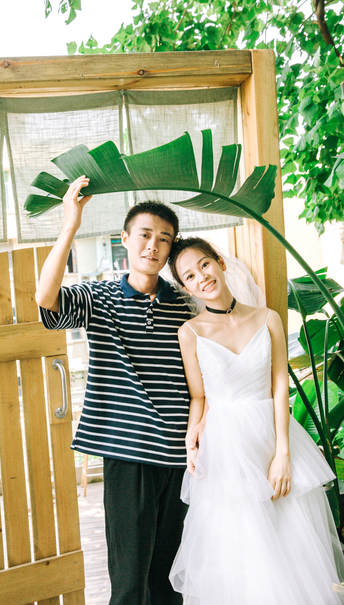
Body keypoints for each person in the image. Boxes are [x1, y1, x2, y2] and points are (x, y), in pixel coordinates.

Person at [36, 176, 192, 605]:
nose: (153, 246)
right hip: (129, 452)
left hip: (182, 456)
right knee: (129, 584)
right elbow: (46, 298)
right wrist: (71, 224)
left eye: (164, 239)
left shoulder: (184, 305)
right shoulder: (99, 297)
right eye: (144, 235)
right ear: (124, 239)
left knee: (170, 581)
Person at [167, 236, 344, 605]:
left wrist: (283, 455)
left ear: (219, 262)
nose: (202, 277)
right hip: (226, 450)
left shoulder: (267, 318)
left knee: (291, 541)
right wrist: (191, 441)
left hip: (272, 437)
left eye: (204, 264)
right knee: (242, 548)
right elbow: (200, 396)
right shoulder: (190, 332)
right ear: (185, 288)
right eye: (190, 276)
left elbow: (280, 387)